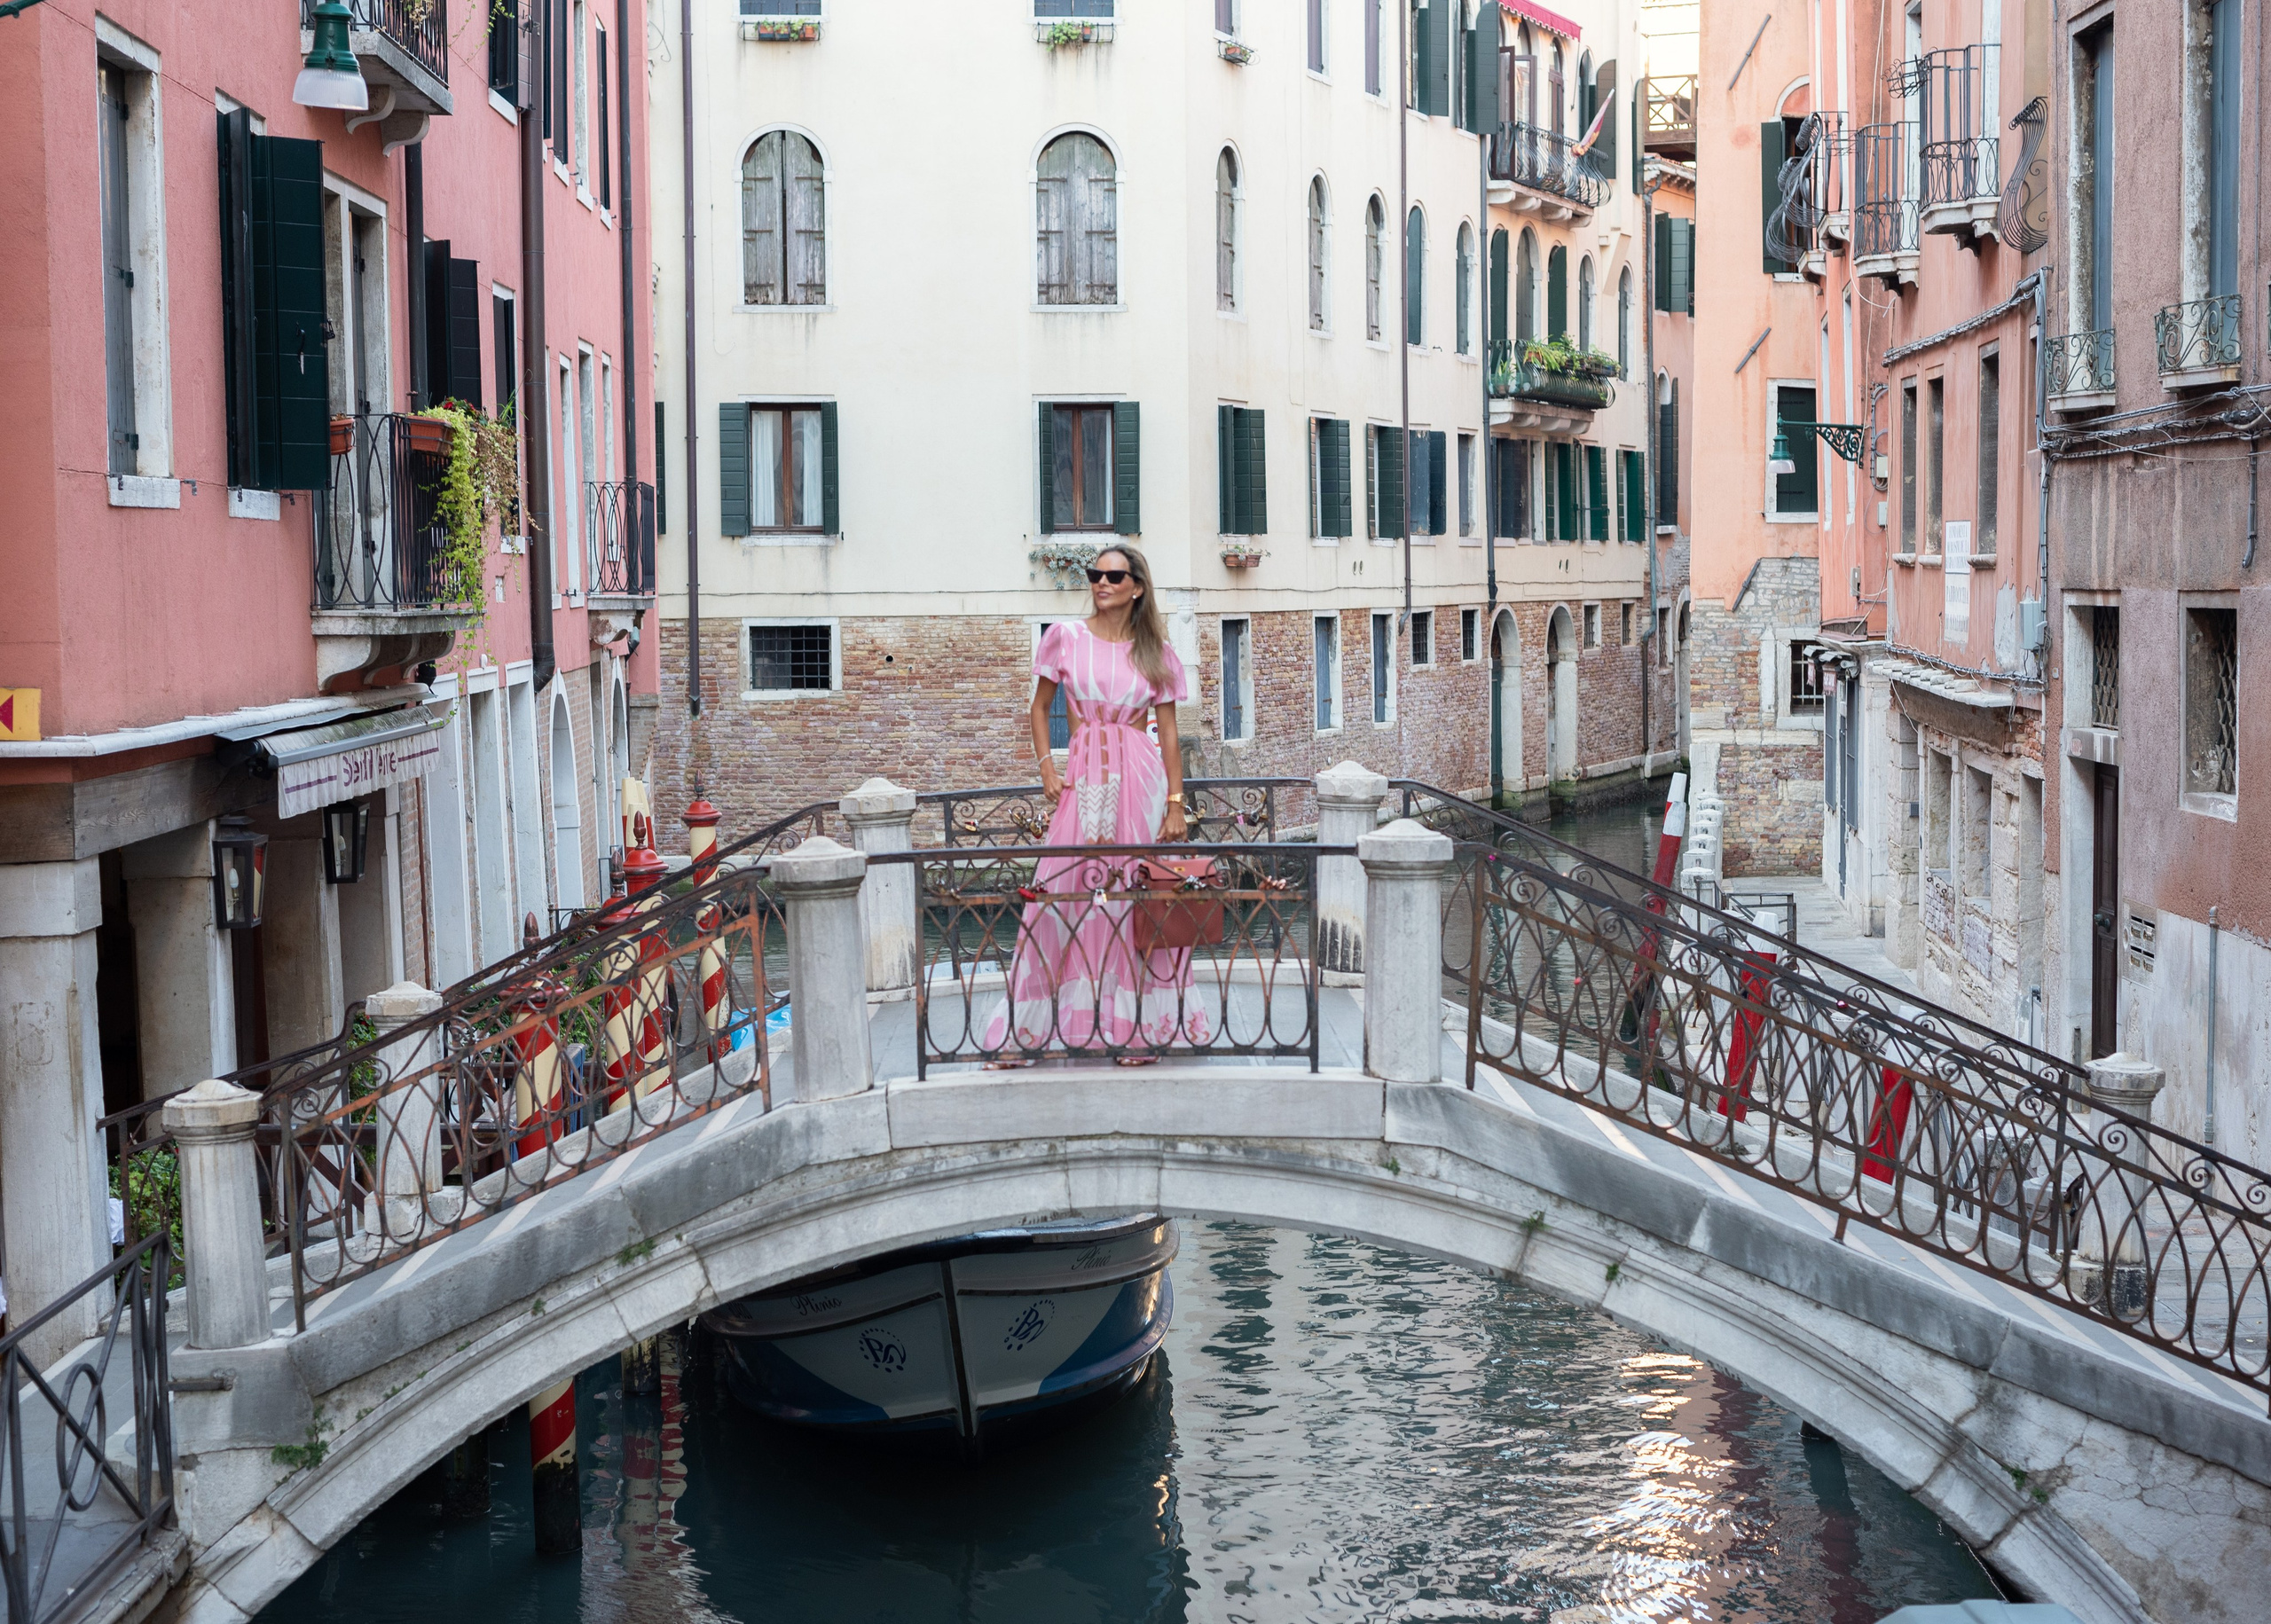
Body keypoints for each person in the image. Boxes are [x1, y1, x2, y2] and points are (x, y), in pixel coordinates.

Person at [978, 545, 1212, 1063]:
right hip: (1083, 781)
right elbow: (1039, 708)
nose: (1101, 582)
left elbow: (1170, 737)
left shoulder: (1156, 653)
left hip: (1141, 781)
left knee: (1135, 899)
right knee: (1059, 891)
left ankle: (1136, 1029)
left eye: (1114, 576)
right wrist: (1047, 768)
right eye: (1095, 574)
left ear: (1137, 587)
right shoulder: (1065, 638)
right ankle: (1028, 1030)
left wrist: (1176, 804)